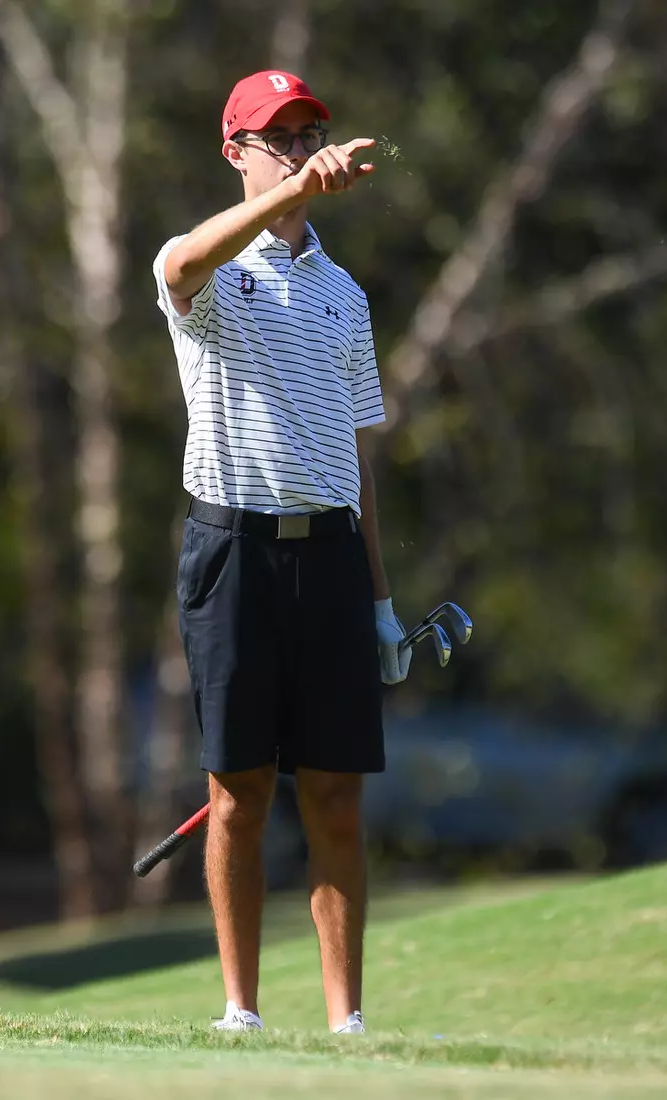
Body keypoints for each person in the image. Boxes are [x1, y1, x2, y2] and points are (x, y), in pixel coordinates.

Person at [152, 69, 411, 1035]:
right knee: (239, 793)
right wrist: (296, 195)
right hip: (232, 556)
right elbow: (180, 268)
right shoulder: (211, 270)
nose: (299, 151)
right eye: (278, 138)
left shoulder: (345, 295)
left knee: (337, 793)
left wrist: (380, 601)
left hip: (331, 560)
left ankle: (347, 1024)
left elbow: (355, 456)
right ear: (236, 151)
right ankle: (240, 1011)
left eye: (309, 135)